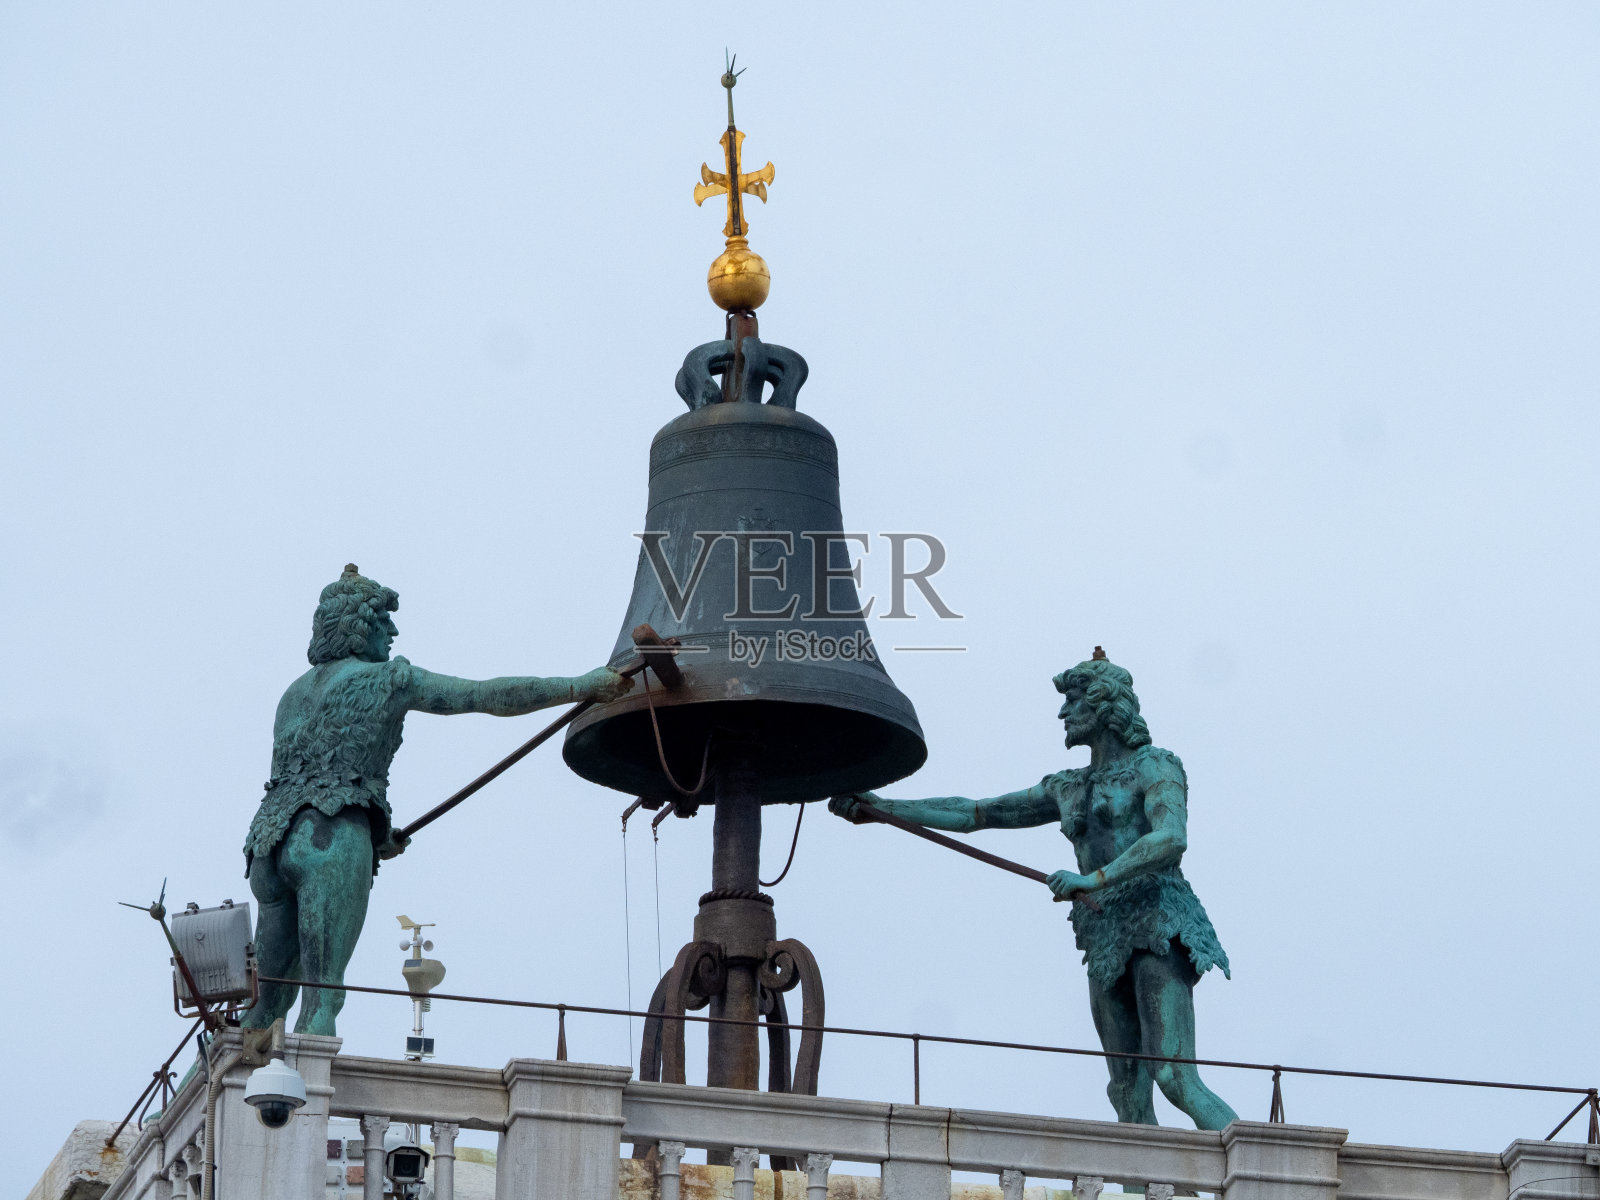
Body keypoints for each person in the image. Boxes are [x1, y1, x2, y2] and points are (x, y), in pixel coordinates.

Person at [831, 650, 1237, 1130]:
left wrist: (1095, 878)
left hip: (1158, 920)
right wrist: (886, 808)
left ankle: (1266, 1175)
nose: (1063, 713)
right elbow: (975, 813)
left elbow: (1171, 837)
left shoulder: (1157, 765)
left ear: (1104, 705)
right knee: (1126, 1090)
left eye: (1073, 701)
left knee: (1173, 1076)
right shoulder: (1066, 787)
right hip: (1104, 930)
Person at [242, 564, 631, 1035]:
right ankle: (302, 1107)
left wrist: (377, 836)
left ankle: (207, 1089)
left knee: (265, 1007)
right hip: (333, 840)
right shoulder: (389, 680)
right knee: (322, 1000)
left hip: (270, 846)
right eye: (383, 620)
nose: (393, 630)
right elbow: (485, 696)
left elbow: (306, 777)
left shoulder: (293, 695)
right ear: (358, 626)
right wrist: (580, 687)